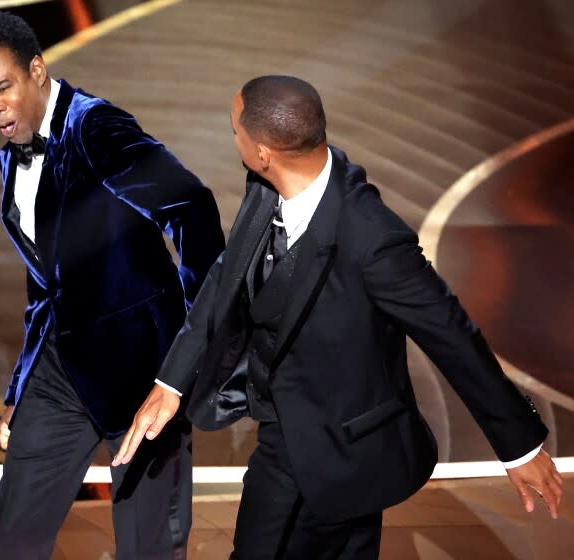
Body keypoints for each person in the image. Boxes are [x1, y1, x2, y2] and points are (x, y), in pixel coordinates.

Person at [113, 75, 563, 559]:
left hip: (348, 448)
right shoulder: (266, 188)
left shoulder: (373, 239)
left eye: (236, 131)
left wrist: (518, 445)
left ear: (264, 151)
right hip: (288, 435)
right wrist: (172, 382)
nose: (235, 140)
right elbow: (228, 276)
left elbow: (452, 334)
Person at [0, 11, 224, 560]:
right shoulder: (12, 155)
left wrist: (185, 356)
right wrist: (19, 389)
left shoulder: (97, 128)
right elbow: (45, 284)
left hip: (139, 373)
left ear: (36, 70)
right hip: (61, 368)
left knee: (147, 548)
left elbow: (193, 209)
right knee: (11, 542)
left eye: (2, 88)